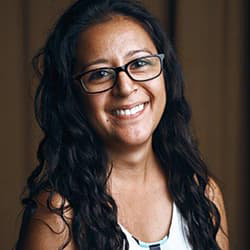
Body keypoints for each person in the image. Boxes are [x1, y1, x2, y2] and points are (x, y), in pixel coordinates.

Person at [16, 0, 229, 249]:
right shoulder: (58, 219)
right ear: (72, 97)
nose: (126, 87)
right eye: (100, 73)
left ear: (165, 73)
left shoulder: (202, 194)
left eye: (139, 63)